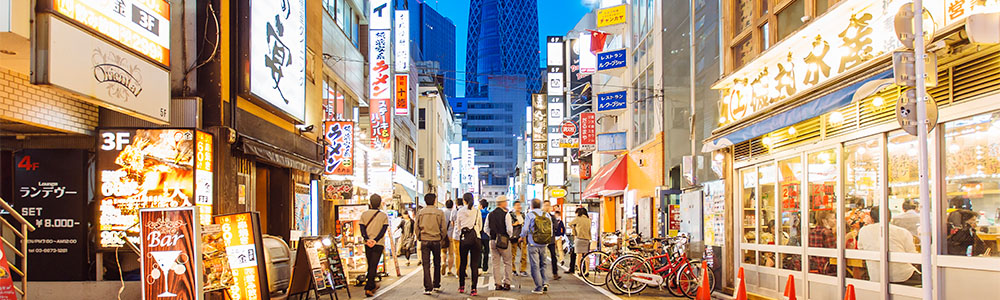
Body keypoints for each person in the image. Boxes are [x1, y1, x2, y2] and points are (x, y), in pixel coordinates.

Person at [857, 206, 921, 285]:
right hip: (903, 276)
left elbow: (861, 250)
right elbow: (913, 257)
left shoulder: (864, 231)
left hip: (877, 277)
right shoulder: (902, 232)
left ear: (872, 218)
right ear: (890, 218)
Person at [414, 194, 448, 294]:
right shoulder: (439, 212)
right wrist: (441, 237)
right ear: (434, 201)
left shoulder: (420, 213)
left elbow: (416, 227)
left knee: (426, 264)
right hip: (436, 240)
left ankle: (428, 288)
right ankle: (436, 284)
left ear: (425, 201)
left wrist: (419, 237)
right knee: (437, 263)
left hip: (424, 240)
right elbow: (444, 228)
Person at [359, 194, 390, 297]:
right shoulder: (383, 216)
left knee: (370, 264)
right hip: (378, 244)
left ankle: (371, 286)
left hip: (367, 244)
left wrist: (367, 239)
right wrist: (375, 240)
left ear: (370, 203)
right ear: (380, 203)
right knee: (373, 265)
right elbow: (383, 230)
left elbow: (362, 228)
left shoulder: (364, 214)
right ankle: (369, 287)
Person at [521, 199, 553, 294]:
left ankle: (539, 287)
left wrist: (521, 236)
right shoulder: (546, 215)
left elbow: (525, 229)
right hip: (544, 243)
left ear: (531, 206)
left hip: (533, 243)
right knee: (543, 264)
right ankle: (545, 283)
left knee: (535, 265)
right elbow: (550, 230)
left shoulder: (530, 215)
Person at [454, 193, 484, 296]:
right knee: (474, 265)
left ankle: (461, 286)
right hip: (476, 239)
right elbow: (480, 226)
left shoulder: (460, 211)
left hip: (464, 239)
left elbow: (458, 226)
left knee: (463, 262)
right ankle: (474, 289)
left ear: (464, 200)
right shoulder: (477, 211)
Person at [485, 196, 514, 290]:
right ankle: (507, 283)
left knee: (495, 263)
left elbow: (486, 228)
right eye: (506, 201)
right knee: (507, 262)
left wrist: (492, 235)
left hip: (492, 240)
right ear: (502, 203)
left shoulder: (490, 214)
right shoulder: (506, 214)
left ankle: (497, 283)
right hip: (504, 240)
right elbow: (509, 229)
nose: (506, 203)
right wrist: (507, 236)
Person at [808, 210, 836, 275]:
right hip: (827, 268)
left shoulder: (812, 231)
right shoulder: (827, 233)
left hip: (815, 266)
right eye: (832, 218)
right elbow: (834, 251)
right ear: (824, 221)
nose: (835, 220)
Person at [567, 207, 591, 274]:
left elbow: (569, 224)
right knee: (586, 255)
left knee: (579, 256)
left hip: (579, 239)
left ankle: (580, 271)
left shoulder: (578, 219)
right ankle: (587, 271)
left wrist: (573, 227)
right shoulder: (588, 219)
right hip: (587, 239)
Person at [542, 201, 563, 280]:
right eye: (545, 205)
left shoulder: (552, 216)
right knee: (541, 257)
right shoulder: (540, 216)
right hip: (542, 240)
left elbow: (556, 226)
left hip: (551, 239)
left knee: (553, 256)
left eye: (548, 205)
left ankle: (555, 273)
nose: (547, 207)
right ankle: (540, 273)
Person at [510, 200, 529, 276]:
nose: (519, 207)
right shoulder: (511, 215)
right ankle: (513, 269)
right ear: (514, 206)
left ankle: (523, 269)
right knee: (512, 254)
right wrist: (514, 224)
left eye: (519, 205)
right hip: (514, 236)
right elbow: (508, 225)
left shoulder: (523, 215)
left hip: (523, 236)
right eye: (517, 205)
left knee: (524, 254)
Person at [442, 199, 456, 276]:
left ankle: (443, 262)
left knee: (443, 252)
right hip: (451, 235)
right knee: (451, 254)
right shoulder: (454, 212)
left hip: (444, 235)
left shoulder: (442, 213)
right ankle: (449, 270)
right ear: (452, 205)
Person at [479, 199, 491, 274]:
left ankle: (479, 266)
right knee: (486, 252)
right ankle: (485, 268)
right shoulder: (489, 214)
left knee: (479, 251)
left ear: (481, 205)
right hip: (486, 235)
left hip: (479, 235)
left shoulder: (478, 213)